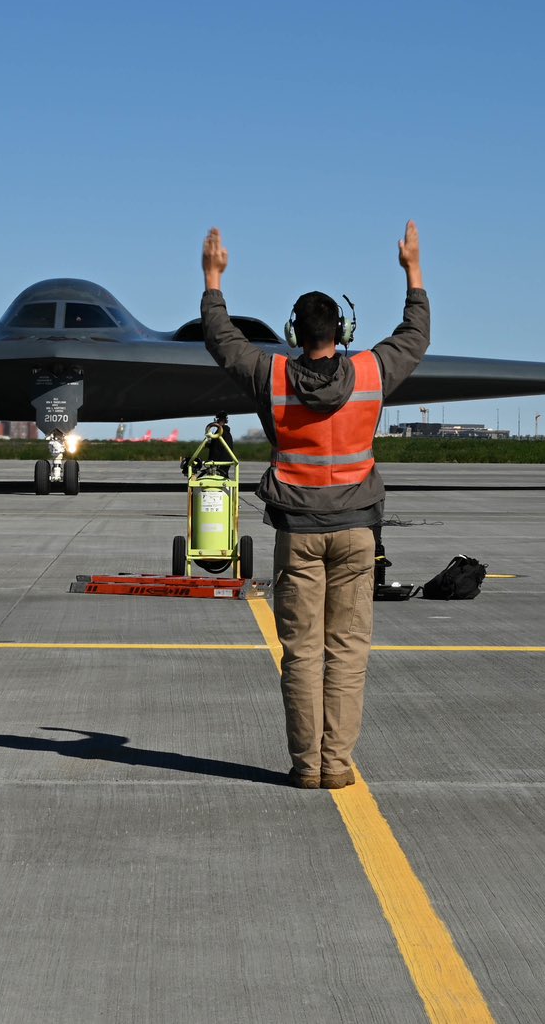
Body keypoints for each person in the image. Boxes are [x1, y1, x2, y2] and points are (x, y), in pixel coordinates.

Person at [199, 223, 429, 789]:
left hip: (297, 535)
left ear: (293, 333)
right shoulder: (373, 372)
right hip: (356, 534)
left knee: (301, 654)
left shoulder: (272, 375)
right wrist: (412, 271)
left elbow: (221, 340)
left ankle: (306, 766)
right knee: (347, 654)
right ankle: (337, 765)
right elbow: (416, 335)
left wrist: (213, 278)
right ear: (343, 331)